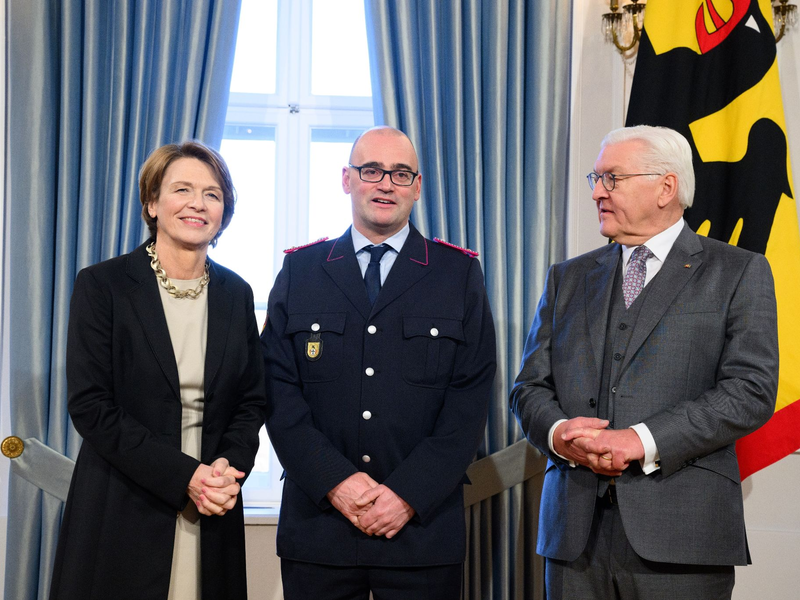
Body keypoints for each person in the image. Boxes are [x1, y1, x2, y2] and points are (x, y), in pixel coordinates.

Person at [510, 125, 779, 599]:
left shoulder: (739, 271)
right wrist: (560, 434)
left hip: (682, 540)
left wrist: (641, 439)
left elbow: (750, 391)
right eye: (596, 178)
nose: (597, 191)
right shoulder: (567, 278)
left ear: (665, 187)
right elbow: (529, 388)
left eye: (611, 178)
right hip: (574, 540)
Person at [261, 126, 496, 600]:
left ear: (417, 186)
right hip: (320, 527)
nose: (386, 184)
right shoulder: (301, 271)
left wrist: (407, 495)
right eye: (371, 170)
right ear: (347, 179)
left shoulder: (457, 274)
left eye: (400, 173)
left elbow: (468, 399)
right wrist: (336, 482)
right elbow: (276, 390)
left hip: (421, 534)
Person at [50, 141, 266, 599]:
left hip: (213, 502)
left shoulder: (237, 293)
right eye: (182, 189)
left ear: (224, 211)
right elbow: (91, 406)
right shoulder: (103, 285)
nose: (197, 203)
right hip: (123, 500)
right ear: (152, 202)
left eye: (212, 193)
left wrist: (227, 469)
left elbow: (252, 400)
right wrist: (185, 475)